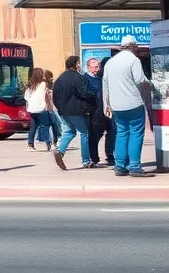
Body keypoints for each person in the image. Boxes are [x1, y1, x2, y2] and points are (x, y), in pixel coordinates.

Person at [102, 35, 154, 177]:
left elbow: (105, 84)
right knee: (136, 134)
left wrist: (106, 104)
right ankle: (135, 167)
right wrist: (151, 85)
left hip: (116, 105)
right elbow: (139, 79)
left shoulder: (110, 63)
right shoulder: (133, 60)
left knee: (121, 134)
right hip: (133, 103)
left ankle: (119, 166)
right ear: (132, 46)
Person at [52, 55, 96, 170]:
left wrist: (60, 108)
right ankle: (86, 161)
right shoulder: (78, 77)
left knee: (69, 132)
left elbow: (54, 96)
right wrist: (94, 95)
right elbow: (84, 93)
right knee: (84, 133)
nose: (80, 66)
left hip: (63, 111)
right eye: (79, 63)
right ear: (76, 64)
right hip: (76, 111)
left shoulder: (59, 79)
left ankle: (60, 152)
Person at [23, 67, 52, 151]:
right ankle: (47, 142)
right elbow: (47, 96)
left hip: (31, 109)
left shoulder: (30, 86)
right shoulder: (44, 84)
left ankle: (30, 145)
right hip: (41, 108)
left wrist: (28, 107)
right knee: (44, 126)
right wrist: (49, 105)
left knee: (33, 127)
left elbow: (26, 98)